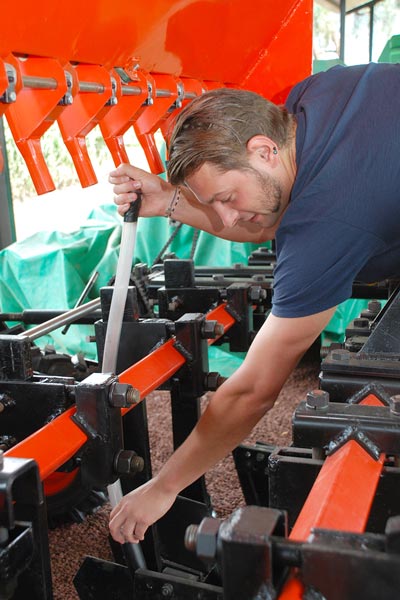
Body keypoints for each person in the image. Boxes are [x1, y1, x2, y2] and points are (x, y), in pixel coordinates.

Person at [108, 62, 400, 544]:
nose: (224, 217)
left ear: (263, 150)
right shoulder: (314, 101)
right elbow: (267, 215)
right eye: (213, 203)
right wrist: (170, 202)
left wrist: (164, 487)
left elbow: (253, 392)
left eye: (225, 196)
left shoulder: (325, 224)